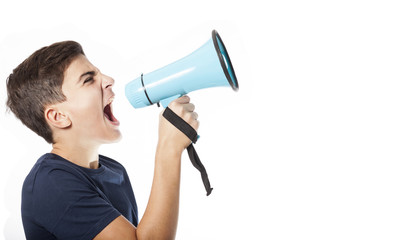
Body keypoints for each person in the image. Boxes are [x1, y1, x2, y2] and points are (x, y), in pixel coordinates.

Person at [6, 41, 199, 239]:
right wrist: (169, 150)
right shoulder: (51, 183)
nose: (109, 80)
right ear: (58, 117)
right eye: (88, 79)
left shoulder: (115, 170)